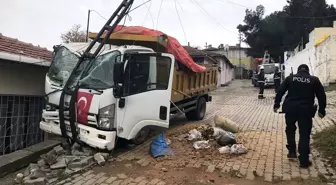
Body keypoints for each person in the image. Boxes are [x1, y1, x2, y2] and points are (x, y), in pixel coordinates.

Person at [273, 64, 326, 168]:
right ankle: (304, 161)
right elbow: (321, 95)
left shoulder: (290, 78)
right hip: (305, 110)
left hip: (290, 109)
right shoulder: (314, 80)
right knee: (304, 134)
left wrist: (276, 104)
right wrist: (321, 110)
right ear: (307, 71)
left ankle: (292, 151)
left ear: (298, 71)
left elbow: (280, 91)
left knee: (290, 129)